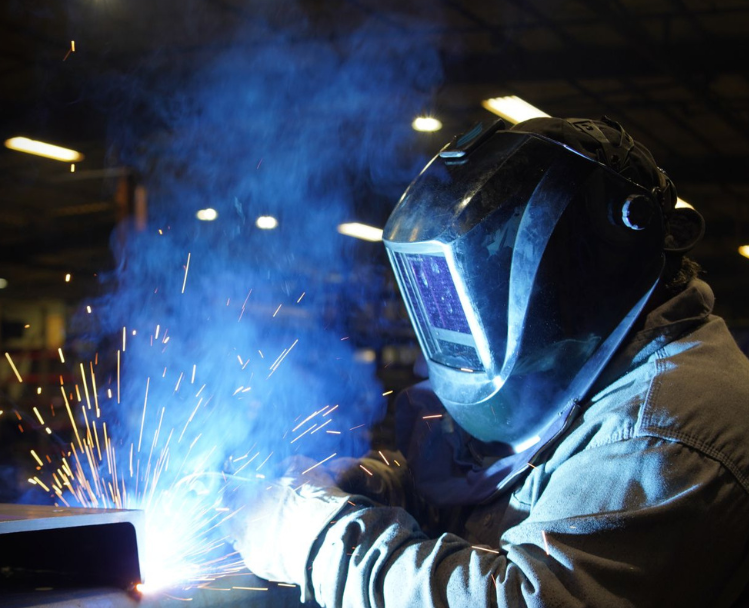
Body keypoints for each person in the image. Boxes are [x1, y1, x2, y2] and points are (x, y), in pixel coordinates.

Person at [225, 117, 749, 607]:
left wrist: (318, 540)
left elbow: (519, 595)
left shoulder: (665, 435)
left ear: (583, 270)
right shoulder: (594, 378)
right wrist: (393, 495)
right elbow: (524, 501)